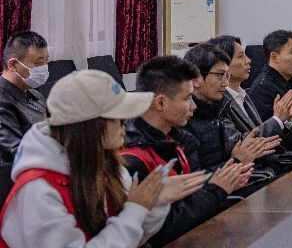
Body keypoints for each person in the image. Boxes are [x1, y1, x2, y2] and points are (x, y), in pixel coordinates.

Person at [0, 70, 207, 248]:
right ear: (91, 127)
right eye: (119, 119)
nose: (126, 125)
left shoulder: (106, 165)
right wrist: (135, 210)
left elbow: (132, 237)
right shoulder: (38, 191)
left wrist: (155, 203)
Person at [121, 56, 253, 247]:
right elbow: (159, 231)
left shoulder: (177, 140)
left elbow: (189, 197)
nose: (194, 106)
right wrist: (215, 190)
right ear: (160, 103)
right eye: (187, 98)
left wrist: (224, 182)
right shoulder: (133, 160)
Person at [181, 44, 282, 171]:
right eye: (219, 75)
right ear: (196, 79)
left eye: (226, 76)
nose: (225, 83)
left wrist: (252, 150)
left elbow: (240, 150)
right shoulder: (184, 120)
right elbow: (193, 177)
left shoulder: (219, 110)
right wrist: (237, 161)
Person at [210, 35, 292, 139]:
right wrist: (278, 119)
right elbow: (242, 142)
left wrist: (286, 118)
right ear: (222, 64)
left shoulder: (244, 95)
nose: (248, 60)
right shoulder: (219, 103)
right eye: (240, 56)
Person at [0, 31, 49, 195]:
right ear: (14, 65)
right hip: (26, 181)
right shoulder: (3, 101)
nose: (44, 68)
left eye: (46, 62)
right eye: (39, 63)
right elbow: (17, 151)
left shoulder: (33, 92)